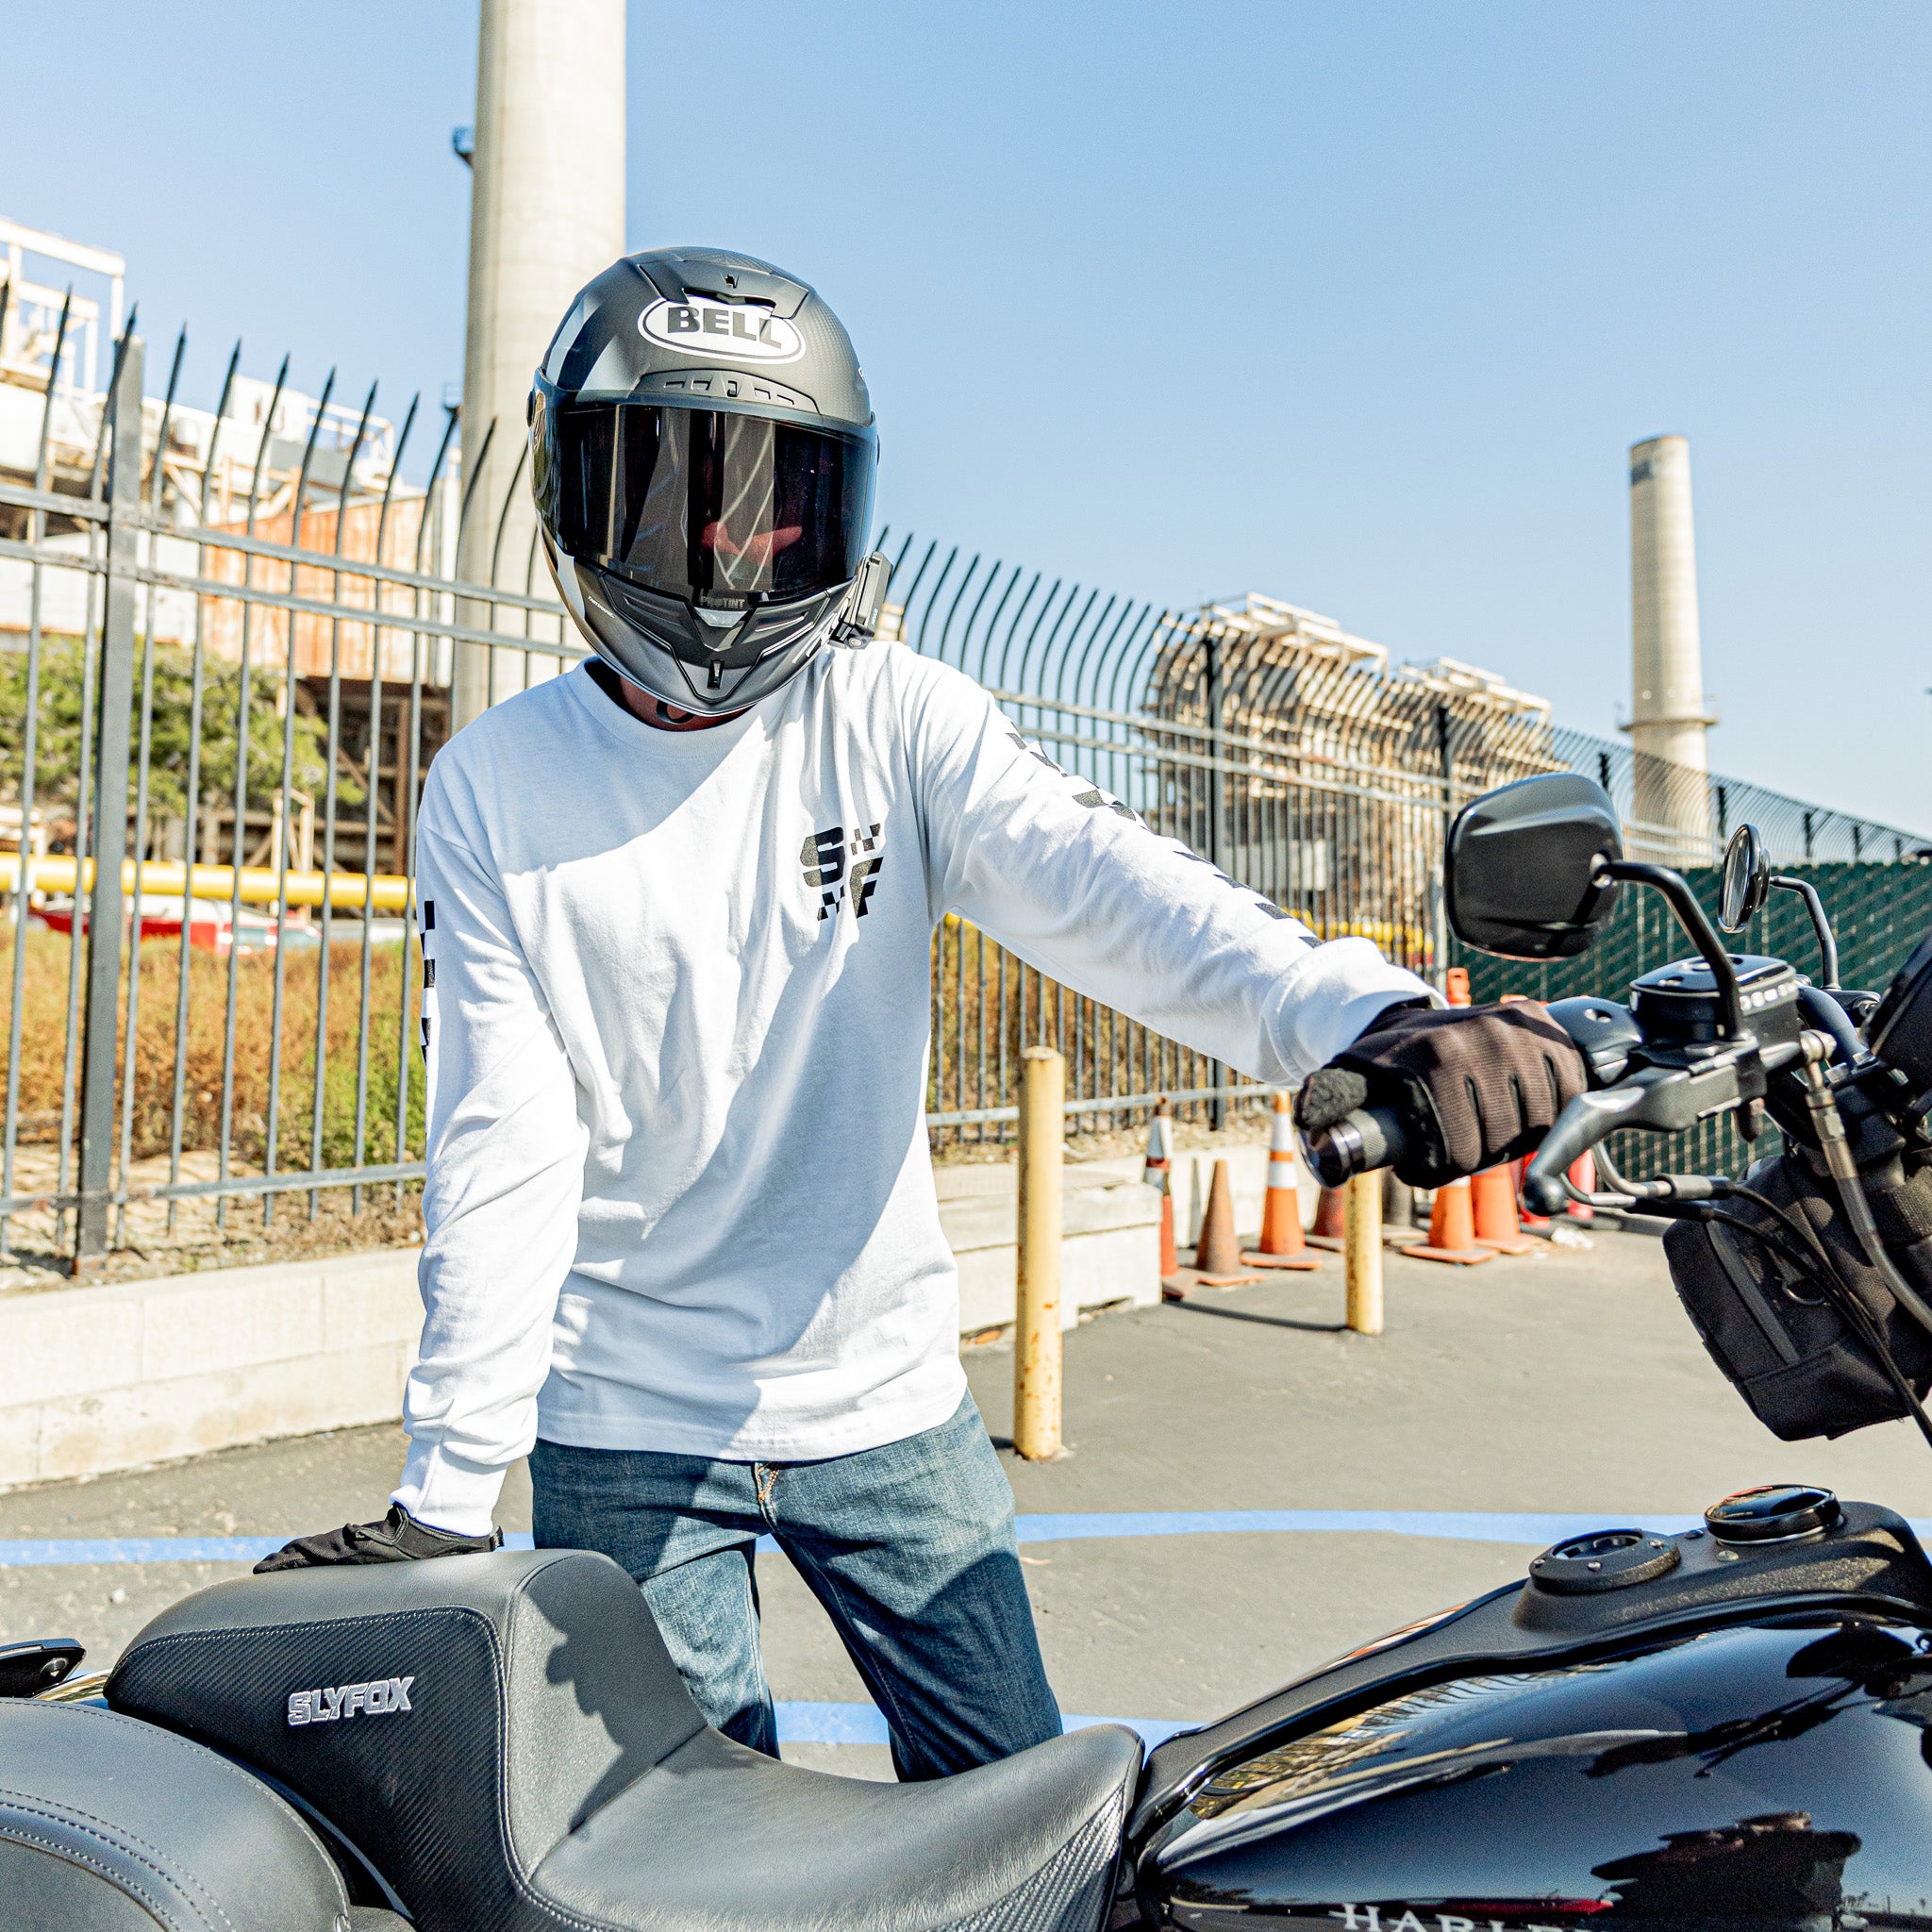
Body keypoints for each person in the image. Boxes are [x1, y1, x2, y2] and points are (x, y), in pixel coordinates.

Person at [258, 247, 1587, 1780]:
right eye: (672, 488)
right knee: (670, 1864)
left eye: (774, 498)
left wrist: (1368, 1013)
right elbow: (506, 1137)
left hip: (886, 1398)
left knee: (1018, 1821)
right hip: (624, 1413)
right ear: (576, 489)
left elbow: (1109, 884)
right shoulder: (498, 782)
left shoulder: (890, 714)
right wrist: (450, 1483)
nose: (723, 549)